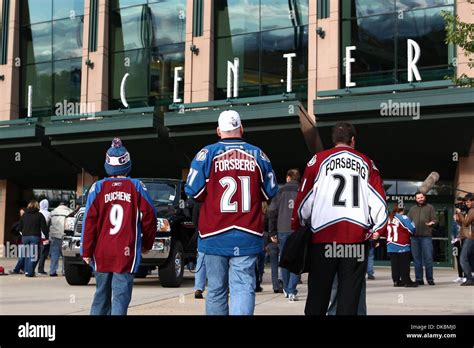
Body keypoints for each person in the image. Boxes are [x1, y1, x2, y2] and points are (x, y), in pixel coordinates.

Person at [185, 110, 278, 315]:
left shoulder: (206, 154)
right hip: (247, 231)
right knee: (243, 287)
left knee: (217, 289)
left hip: (214, 233)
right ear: (241, 129)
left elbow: (192, 191)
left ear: (218, 131)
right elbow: (270, 191)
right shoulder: (258, 154)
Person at [292, 122, 388, 315]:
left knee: (317, 297)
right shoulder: (367, 163)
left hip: (323, 239)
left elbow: (303, 202)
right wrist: (377, 231)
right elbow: (379, 203)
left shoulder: (317, 161)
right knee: (349, 300)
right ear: (353, 140)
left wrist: (298, 225)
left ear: (333, 140)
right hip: (355, 241)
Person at [81, 138, 157, 315]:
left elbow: (89, 222)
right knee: (120, 297)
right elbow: (150, 217)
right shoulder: (136, 186)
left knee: (101, 295)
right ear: (127, 164)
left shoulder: (97, 188)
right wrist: (147, 243)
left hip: (101, 251)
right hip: (126, 250)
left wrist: (86, 250)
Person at [268, 168, 301, 301]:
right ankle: (292, 289)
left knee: (285, 260)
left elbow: (271, 212)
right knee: (296, 260)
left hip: (282, 229)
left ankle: (287, 289)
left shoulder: (279, 190)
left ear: (288, 177)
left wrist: (272, 231)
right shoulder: (302, 190)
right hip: (297, 229)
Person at [408, 192, 437, 285]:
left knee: (428, 258)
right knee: (417, 259)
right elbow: (408, 221)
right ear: (416, 199)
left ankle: (430, 279)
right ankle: (419, 279)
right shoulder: (412, 209)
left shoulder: (430, 207)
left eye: (421, 197)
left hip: (426, 237)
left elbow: (435, 219)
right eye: (418, 198)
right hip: (414, 237)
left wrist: (432, 223)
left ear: (424, 197)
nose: (420, 199)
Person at [385, 205, 417, 287]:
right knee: (404, 264)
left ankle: (396, 281)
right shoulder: (403, 217)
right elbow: (412, 228)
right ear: (402, 211)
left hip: (390, 244)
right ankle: (406, 281)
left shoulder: (389, 218)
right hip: (402, 244)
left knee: (395, 265)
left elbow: (384, 231)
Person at [19, 200, 49, 278]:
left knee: (27, 255)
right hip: (35, 236)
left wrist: (22, 233)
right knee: (35, 255)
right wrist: (46, 236)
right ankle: (30, 272)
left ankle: (26, 271)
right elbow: (44, 227)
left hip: (25, 237)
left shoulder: (24, 215)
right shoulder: (39, 215)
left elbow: (19, 226)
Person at [49, 201, 73, 276]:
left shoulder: (53, 212)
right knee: (65, 255)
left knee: (54, 254)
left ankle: (52, 271)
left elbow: (47, 222)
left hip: (55, 236)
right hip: (65, 235)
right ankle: (64, 271)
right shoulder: (69, 211)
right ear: (66, 205)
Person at [455, 193, 474, 286]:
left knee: (463, 259)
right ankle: (470, 278)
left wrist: (459, 212)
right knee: (469, 259)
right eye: (466, 202)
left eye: (468, 201)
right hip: (467, 236)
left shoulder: (473, 210)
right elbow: (462, 224)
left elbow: (466, 223)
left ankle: (470, 279)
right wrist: (458, 216)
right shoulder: (469, 211)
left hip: (470, 237)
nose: (466, 203)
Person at [9, 208, 26, 274]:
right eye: (20, 213)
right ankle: (20, 269)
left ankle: (18, 269)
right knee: (22, 256)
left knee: (23, 256)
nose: (21, 214)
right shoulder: (19, 222)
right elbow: (13, 230)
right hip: (21, 241)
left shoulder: (25, 221)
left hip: (24, 240)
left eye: (22, 213)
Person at [36, 199, 51, 275]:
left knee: (37, 253)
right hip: (45, 236)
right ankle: (40, 269)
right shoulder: (49, 214)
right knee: (43, 253)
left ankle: (32, 268)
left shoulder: (37, 213)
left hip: (37, 235)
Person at [451, 213, 465, 283]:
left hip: (462, 241)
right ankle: (460, 276)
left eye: (456, 215)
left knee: (464, 259)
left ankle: (465, 276)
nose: (454, 217)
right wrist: (453, 239)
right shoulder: (453, 223)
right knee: (458, 258)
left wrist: (460, 237)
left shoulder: (463, 223)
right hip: (455, 243)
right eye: (454, 215)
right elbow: (452, 233)